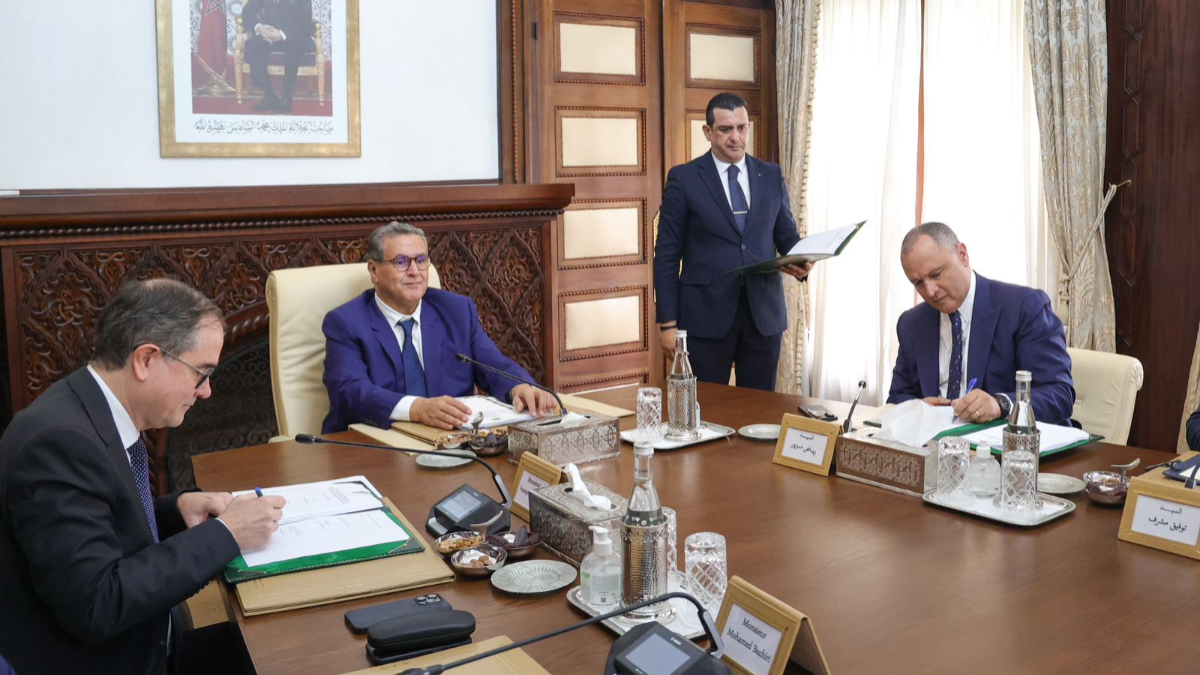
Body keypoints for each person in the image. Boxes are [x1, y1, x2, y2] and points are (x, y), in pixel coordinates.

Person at [0, 279, 286, 674]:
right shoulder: (59, 444)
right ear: (146, 359)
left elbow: (100, 517)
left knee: (278, 648)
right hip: (104, 659)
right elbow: (97, 605)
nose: (206, 392)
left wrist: (174, 510)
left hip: (148, 636)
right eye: (200, 373)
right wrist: (227, 534)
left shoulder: (91, 407)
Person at [322, 222, 559, 433]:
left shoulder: (456, 311)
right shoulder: (346, 322)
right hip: (373, 446)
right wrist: (416, 409)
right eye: (401, 262)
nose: (414, 272)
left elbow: (494, 365)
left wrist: (519, 387)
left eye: (421, 260)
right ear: (374, 270)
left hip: (451, 444)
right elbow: (350, 392)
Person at [653, 92, 812, 391]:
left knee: (760, 412)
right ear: (708, 132)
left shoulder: (771, 174)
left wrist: (803, 259)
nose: (735, 137)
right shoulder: (684, 179)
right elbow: (666, 256)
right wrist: (668, 325)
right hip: (704, 318)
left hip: (763, 317)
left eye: (741, 128)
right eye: (726, 130)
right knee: (704, 411)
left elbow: (786, 236)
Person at [887, 222, 1076, 426]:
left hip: (1011, 446)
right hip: (937, 446)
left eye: (936, 274)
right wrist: (920, 408)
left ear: (962, 254)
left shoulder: (1024, 308)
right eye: (918, 283)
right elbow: (898, 397)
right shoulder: (912, 324)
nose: (930, 291)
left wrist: (1001, 405)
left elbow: (1060, 394)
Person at [243, 0, 314, 114]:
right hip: (270, 36)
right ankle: (269, 94)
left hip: (295, 35)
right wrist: (259, 27)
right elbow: (247, 11)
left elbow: (304, 19)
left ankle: (287, 96)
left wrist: (281, 34)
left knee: (293, 46)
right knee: (252, 44)